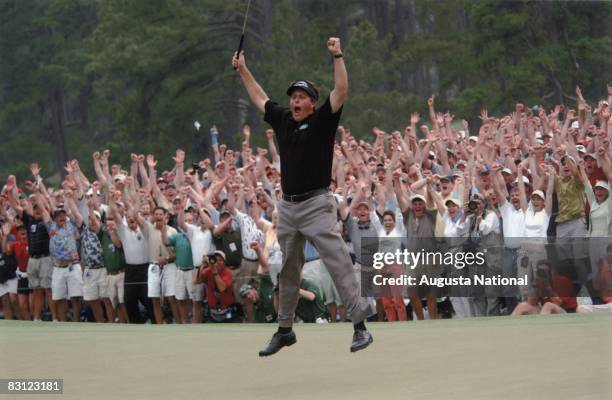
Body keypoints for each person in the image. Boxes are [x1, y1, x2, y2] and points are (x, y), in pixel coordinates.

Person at [233, 36, 374, 356]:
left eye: (301, 97)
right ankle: (285, 330)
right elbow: (259, 97)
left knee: (337, 261)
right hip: (289, 207)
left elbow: (341, 91)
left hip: (317, 204)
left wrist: (337, 55)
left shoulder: (323, 121)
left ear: (312, 102)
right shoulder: (283, 119)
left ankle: (360, 327)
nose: (294, 101)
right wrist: (243, 69)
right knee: (289, 270)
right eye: (293, 97)